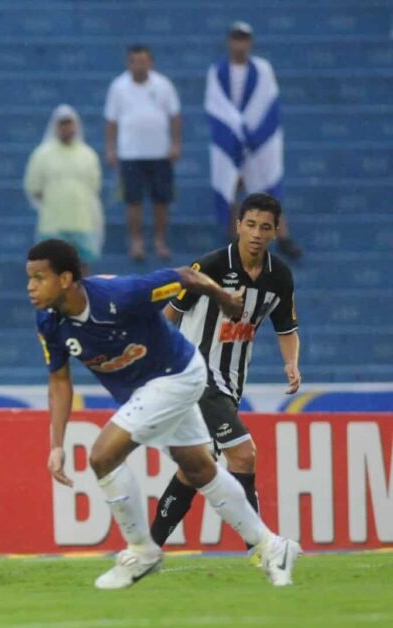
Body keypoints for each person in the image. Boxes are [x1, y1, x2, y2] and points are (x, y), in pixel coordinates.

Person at [28, 238, 300, 589]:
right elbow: (59, 382)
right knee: (200, 469)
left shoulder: (119, 296)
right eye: (29, 278)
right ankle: (273, 547)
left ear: (65, 279)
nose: (31, 287)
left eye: (38, 277)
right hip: (145, 389)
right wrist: (56, 445)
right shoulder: (49, 321)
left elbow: (186, 275)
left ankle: (142, 550)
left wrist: (224, 298)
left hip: (178, 374)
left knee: (101, 456)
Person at [150, 193, 300, 548]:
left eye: (265, 227)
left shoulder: (279, 277)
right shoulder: (210, 267)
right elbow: (170, 313)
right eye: (250, 225)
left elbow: (287, 329)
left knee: (194, 468)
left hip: (230, 382)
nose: (256, 234)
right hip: (197, 374)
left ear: (276, 232)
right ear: (238, 226)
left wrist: (291, 363)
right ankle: (262, 549)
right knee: (244, 454)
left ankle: (147, 547)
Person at [205, 21, 301, 259]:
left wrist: (253, 136)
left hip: (259, 143)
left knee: (268, 190)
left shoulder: (263, 69)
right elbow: (217, 107)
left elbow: (268, 104)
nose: (240, 43)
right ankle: (234, 239)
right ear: (229, 42)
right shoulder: (217, 71)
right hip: (231, 141)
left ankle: (283, 236)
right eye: (236, 38)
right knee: (232, 186)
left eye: (244, 38)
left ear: (250, 42)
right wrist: (235, 137)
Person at [104, 45, 182, 261]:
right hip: (131, 154)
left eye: (143, 61)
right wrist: (111, 148)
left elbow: (175, 116)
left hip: (160, 153)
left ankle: (159, 241)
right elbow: (111, 120)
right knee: (133, 200)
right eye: (134, 61)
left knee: (161, 200)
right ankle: (136, 242)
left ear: (151, 62)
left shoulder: (164, 85)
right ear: (129, 63)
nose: (139, 65)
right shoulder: (118, 87)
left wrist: (175, 143)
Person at [24, 104, 105, 265]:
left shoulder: (88, 154)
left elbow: (94, 187)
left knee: (81, 269)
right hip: (52, 224)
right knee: (53, 271)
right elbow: (34, 188)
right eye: (62, 124)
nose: (66, 128)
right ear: (55, 126)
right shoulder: (42, 154)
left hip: (83, 222)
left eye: (69, 123)